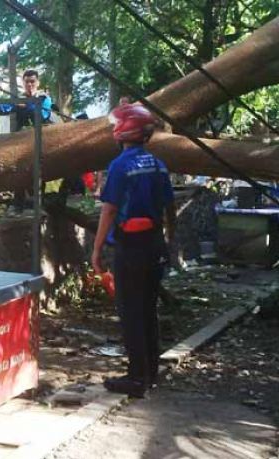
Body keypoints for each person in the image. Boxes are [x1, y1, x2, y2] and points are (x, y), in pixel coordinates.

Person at [91, 103, 176, 398]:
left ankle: (137, 378)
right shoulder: (158, 163)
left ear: (124, 130)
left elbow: (109, 209)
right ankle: (150, 373)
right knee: (148, 309)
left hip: (130, 246)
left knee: (130, 311)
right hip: (153, 244)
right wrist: (169, 241)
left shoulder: (119, 165)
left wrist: (97, 248)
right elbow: (169, 206)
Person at [0, 70, 53, 210]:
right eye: (27, 82)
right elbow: (2, 110)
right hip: (20, 144)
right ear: (23, 83)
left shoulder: (44, 98)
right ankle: (18, 205)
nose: (29, 84)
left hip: (38, 143)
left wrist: (27, 105)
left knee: (37, 174)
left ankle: (38, 207)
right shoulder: (19, 99)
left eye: (32, 81)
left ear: (37, 83)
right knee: (18, 172)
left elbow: (42, 115)